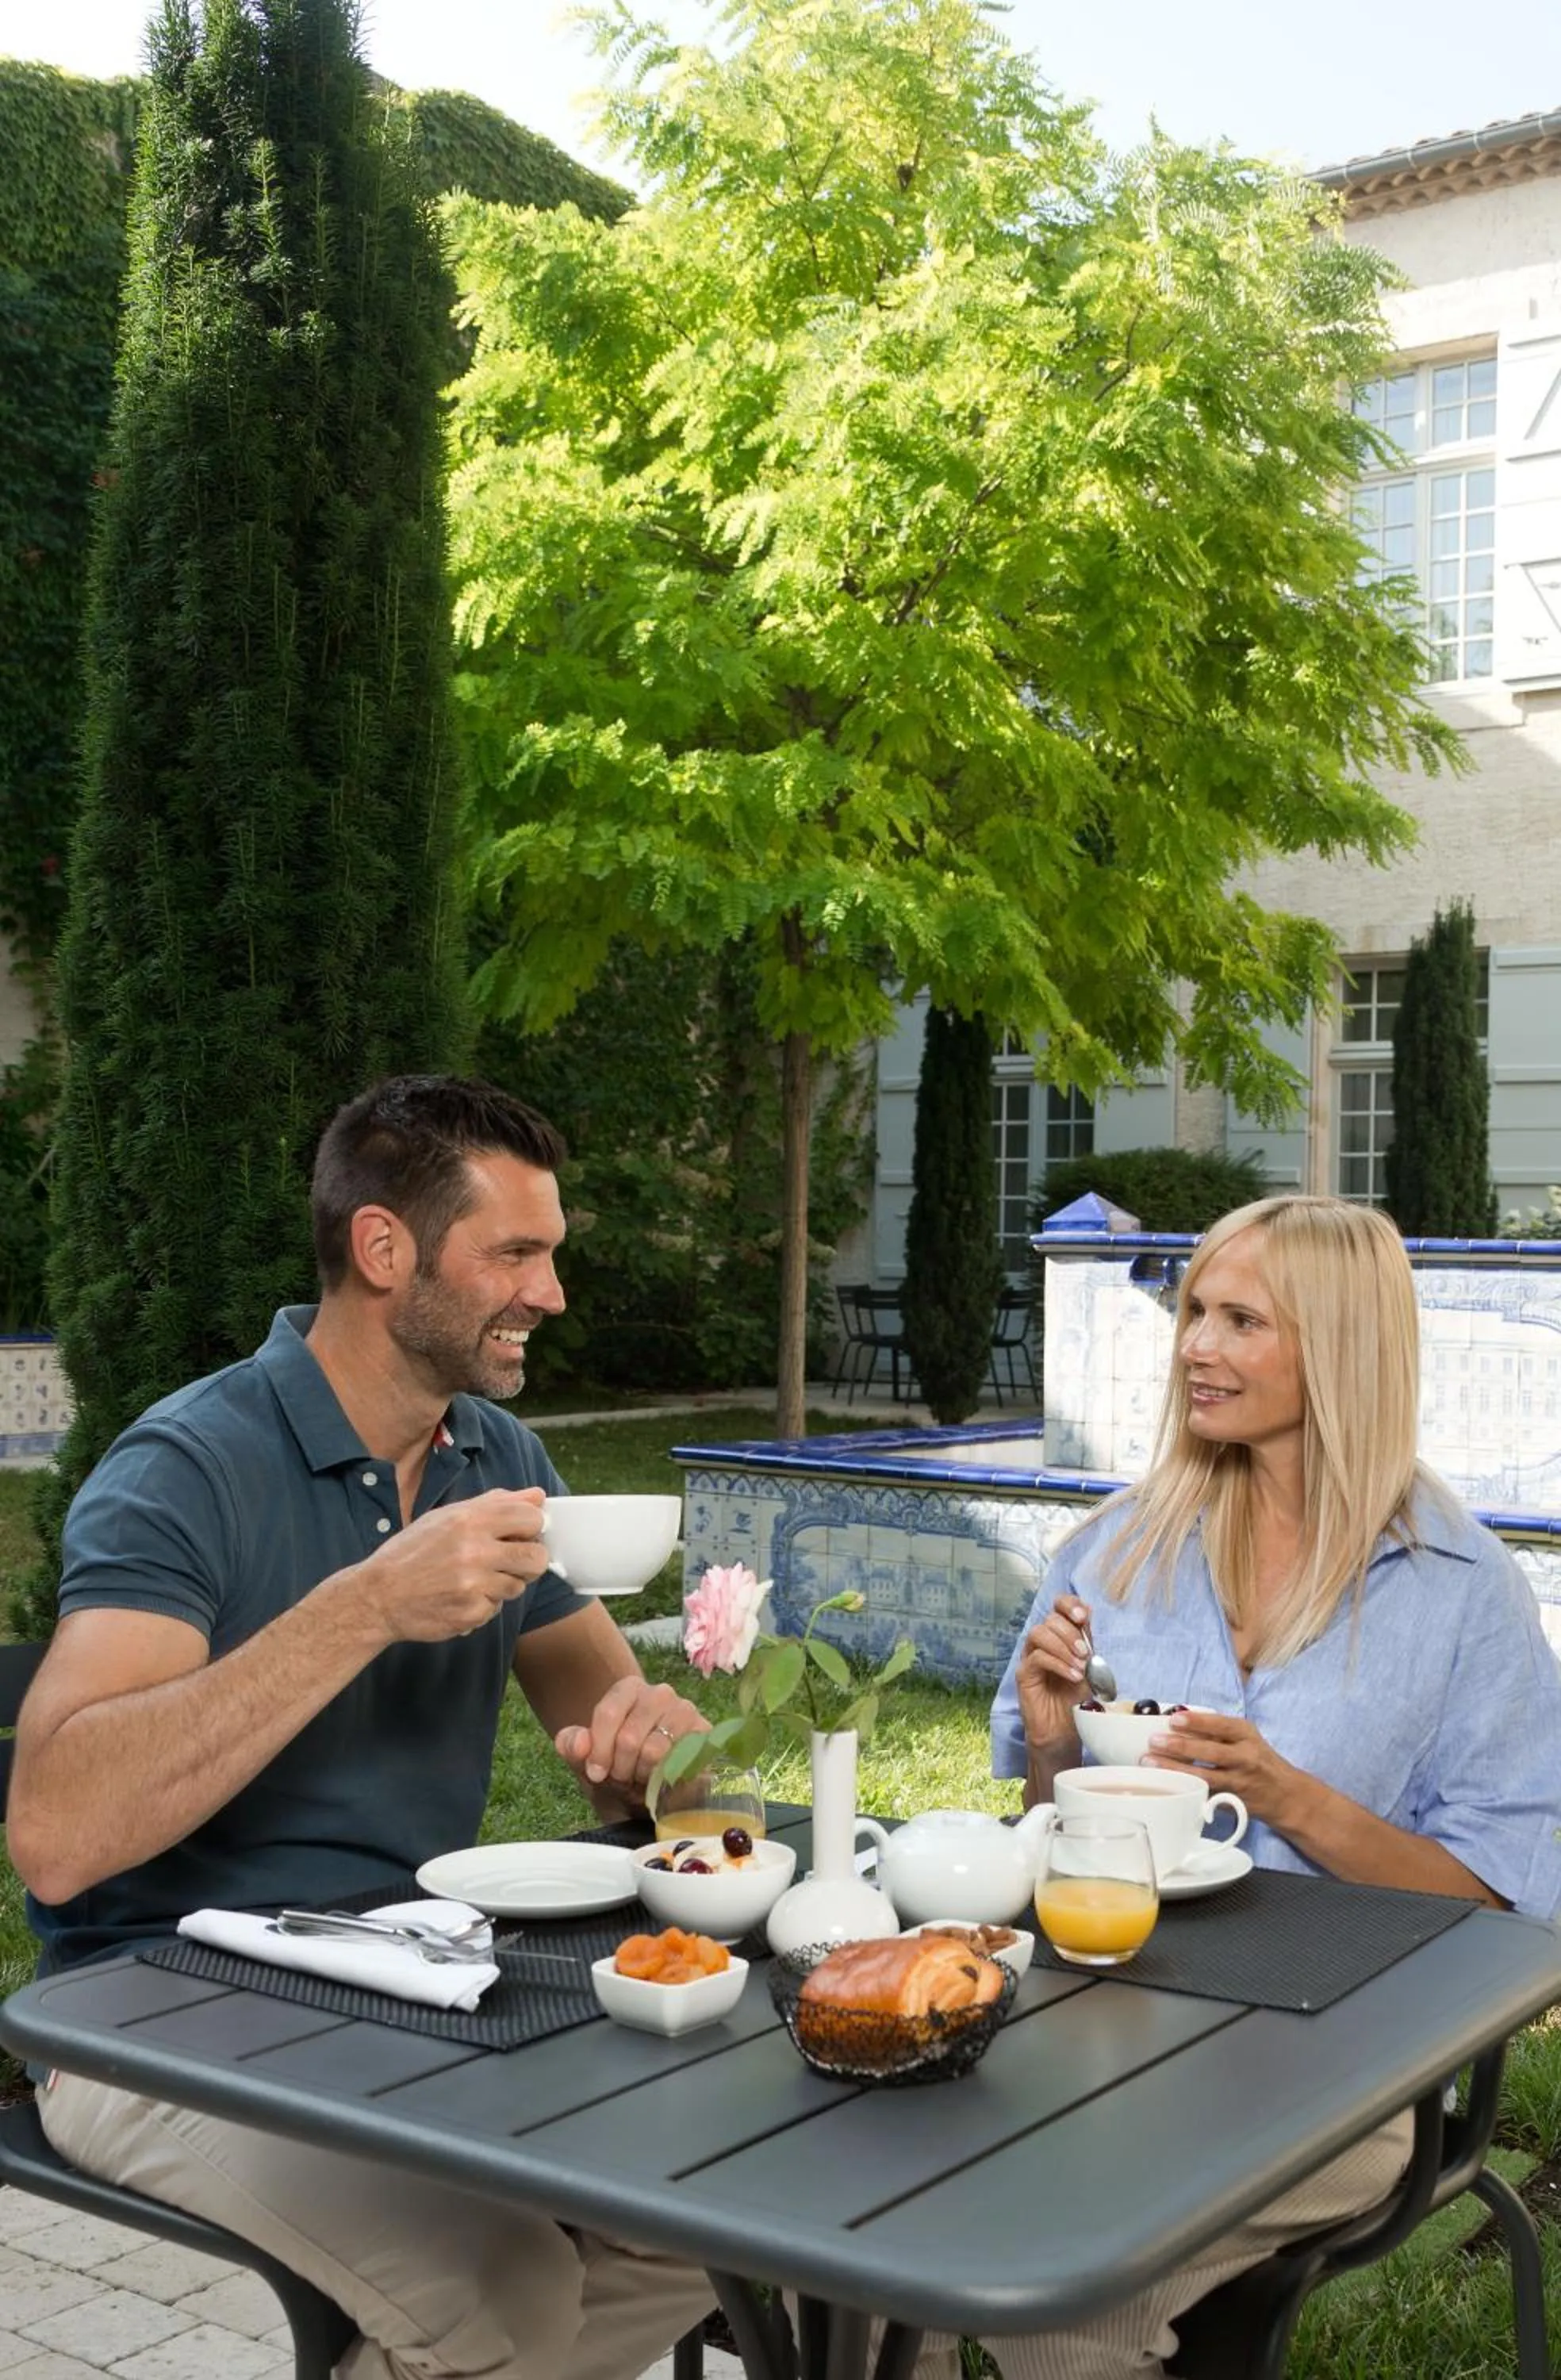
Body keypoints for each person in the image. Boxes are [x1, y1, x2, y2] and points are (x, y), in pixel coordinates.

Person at [7, 1074, 717, 2380]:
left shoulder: (496, 1460)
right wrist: (363, 1608)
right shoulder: (185, 1468)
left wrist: (653, 1756)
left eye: (552, 1255)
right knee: (503, 2297)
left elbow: (637, 1753)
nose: (552, 1293)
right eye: (517, 1252)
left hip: (415, 1983)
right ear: (385, 1249)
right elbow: (57, 1837)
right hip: (149, 2015)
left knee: (715, 2219)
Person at [959, 1192, 1561, 2380]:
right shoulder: (1119, 1547)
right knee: (892, 2253)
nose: (1194, 1344)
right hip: (1101, 2022)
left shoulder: (1460, 1591)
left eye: (1241, 1320)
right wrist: (1047, 1748)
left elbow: (1512, 1917)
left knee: (1064, 2302)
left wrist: (1291, 1798)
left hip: (1345, 2067)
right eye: (1195, 1312)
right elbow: (1048, 1839)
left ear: (1336, 1349)